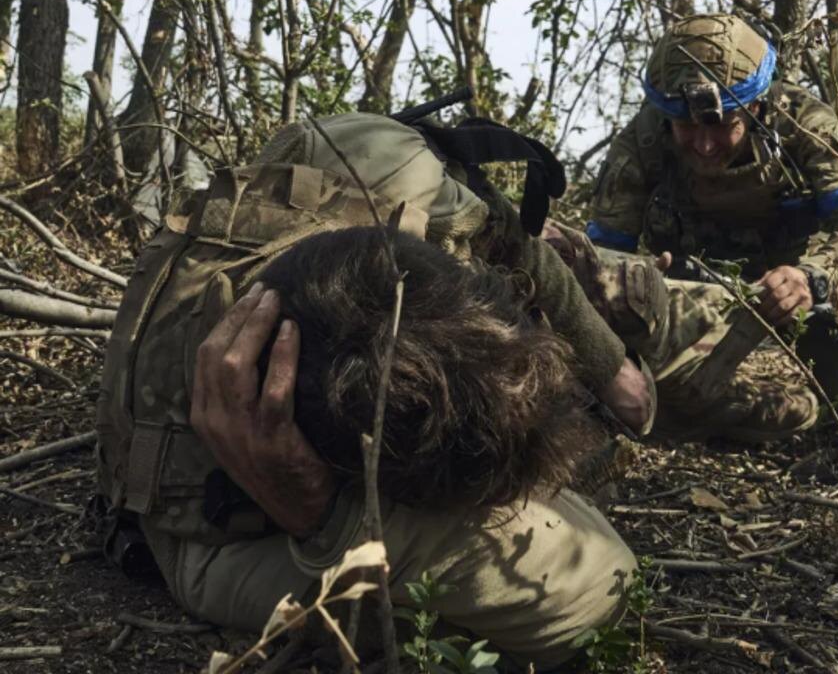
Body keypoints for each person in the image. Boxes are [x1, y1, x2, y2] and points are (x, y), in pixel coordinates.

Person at [95, 113, 649, 668]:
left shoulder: (368, 171)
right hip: (221, 537)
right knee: (600, 576)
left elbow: (493, 223)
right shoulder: (227, 534)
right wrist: (324, 516)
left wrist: (604, 358)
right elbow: (600, 591)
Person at [583, 13, 838, 441]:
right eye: (687, 127)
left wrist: (811, 278)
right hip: (691, 315)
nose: (704, 146)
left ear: (756, 106)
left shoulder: (806, 126)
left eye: (722, 126)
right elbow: (600, 261)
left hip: (806, 309)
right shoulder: (641, 143)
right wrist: (636, 281)